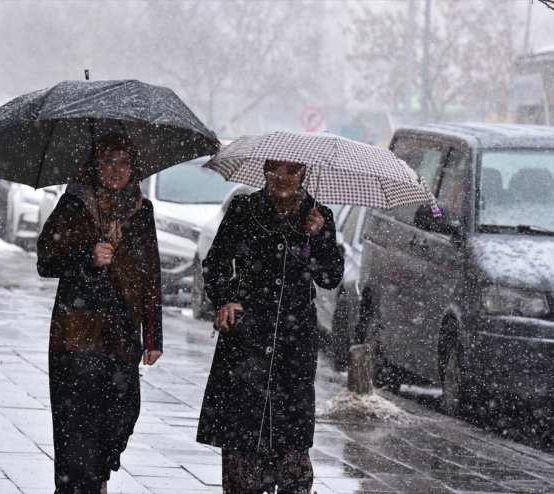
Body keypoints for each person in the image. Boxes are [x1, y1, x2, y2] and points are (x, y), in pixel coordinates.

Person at [196, 160, 344, 494]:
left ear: (303, 175)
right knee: (243, 445)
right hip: (248, 338)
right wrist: (224, 300)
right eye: (276, 170)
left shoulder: (319, 215)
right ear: (265, 172)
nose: (283, 178)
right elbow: (216, 261)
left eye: (292, 171)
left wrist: (320, 237)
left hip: (294, 344)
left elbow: (330, 276)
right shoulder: (245, 209)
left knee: (292, 451)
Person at [36, 134, 163, 494]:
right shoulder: (75, 204)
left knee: (123, 414)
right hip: (75, 334)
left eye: (123, 162)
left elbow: (151, 273)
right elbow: (46, 260)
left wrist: (153, 337)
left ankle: (96, 475)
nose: (116, 170)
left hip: (122, 334)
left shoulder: (142, 210)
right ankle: (81, 485)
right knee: (76, 426)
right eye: (108, 161)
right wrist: (87, 257)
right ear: (95, 164)